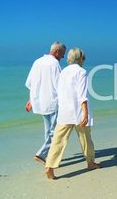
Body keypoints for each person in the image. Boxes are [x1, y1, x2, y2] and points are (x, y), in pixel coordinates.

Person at [45, 48, 101, 180]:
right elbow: (82, 95)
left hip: (64, 112)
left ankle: (49, 167)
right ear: (80, 59)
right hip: (78, 112)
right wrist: (85, 114)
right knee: (86, 139)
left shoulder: (63, 71)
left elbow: (59, 91)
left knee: (58, 141)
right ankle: (90, 162)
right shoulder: (81, 72)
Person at [25, 41, 66, 165]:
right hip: (53, 102)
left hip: (40, 102)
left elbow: (31, 83)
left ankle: (49, 155)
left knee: (48, 131)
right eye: (62, 54)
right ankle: (41, 154)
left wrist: (31, 100)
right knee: (55, 133)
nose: (63, 57)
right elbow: (60, 85)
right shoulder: (54, 64)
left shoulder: (37, 62)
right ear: (57, 51)